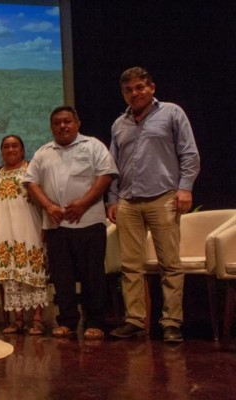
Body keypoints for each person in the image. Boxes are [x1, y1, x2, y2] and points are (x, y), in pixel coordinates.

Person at [107, 67, 200, 343]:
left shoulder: (172, 113)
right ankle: (135, 320)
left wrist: (185, 189)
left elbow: (189, 153)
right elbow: (113, 165)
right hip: (128, 201)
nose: (134, 93)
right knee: (130, 266)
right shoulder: (118, 124)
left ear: (152, 88)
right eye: (128, 90)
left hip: (164, 197)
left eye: (139, 87)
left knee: (170, 264)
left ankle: (171, 322)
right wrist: (112, 200)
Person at [24, 106, 117, 340]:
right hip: (56, 224)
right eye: (57, 123)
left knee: (92, 275)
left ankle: (95, 321)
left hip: (89, 220)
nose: (62, 126)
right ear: (51, 126)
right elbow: (30, 182)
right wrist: (48, 206)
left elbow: (105, 176)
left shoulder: (93, 145)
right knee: (62, 276)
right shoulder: (43, 152)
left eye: (67, 121)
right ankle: (66, 321)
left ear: (77, 123)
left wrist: (83, 204)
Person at [0, 135, 48, 335]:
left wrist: (46, 226)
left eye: (14, 146)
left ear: (22, 149)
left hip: (29, 231)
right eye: (6, 146)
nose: (10, 149)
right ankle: (18, 319)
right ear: (1, 151)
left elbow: (43, 199)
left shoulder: (31, 170)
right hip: (4, 235)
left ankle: (37, 319)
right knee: (10, 275)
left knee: (33, 273)